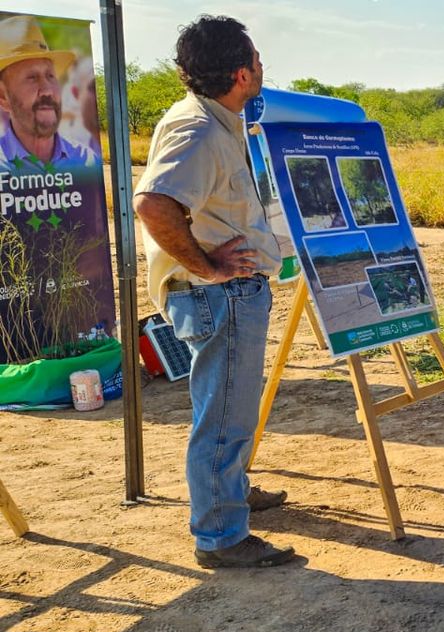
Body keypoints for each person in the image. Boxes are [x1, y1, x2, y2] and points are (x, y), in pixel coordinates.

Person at [133, 16, 292, 568]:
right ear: (243, 73)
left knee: (232, 409)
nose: (263, 71)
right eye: (258, 62)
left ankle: (232, 496)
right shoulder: (198, 128)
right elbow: (154, 205)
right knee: (223, 414)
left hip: (227, 294)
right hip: (216, 296)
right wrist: (208, 266)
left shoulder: (215, 121)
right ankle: (221, 535)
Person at [0, 14, 97, 171]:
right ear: (3, 97)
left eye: (50, 76)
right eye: (32, 77)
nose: (48, 91)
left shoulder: (86, 161)